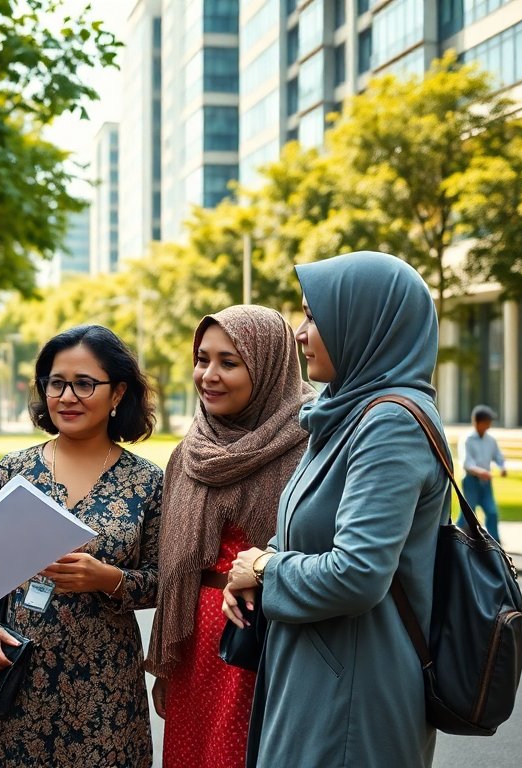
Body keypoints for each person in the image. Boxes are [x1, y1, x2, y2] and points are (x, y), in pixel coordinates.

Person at [222, 251, 449, 768]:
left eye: (313, 315)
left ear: (363, 321)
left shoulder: (390, 423)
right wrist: (256, 568)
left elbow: (358, 573)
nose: (300, 333)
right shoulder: (346, 414)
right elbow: (308, 529)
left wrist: (264, 567)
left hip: (354, 693)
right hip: (317, 673)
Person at [0, 324, 163, 768]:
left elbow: (162, 582)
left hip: (104, 685)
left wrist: (107, 579)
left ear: (117, 394)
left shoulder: (148, 483)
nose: (67, 396)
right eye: (56, 383)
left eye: (84, 384)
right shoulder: (13, 473)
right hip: (16, 678)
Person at [147, 306, 312, 768]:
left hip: (265, 640)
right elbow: (174, 569)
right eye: (202, 359)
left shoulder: (310, 444)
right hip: (195, 649)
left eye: (229, 362)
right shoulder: (190, 452)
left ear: (269, 365)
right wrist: (167, 663)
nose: (209, 375)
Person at [459, 404, 506, 542]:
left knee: (492, 512)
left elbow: (498, 456)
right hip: (471, 481)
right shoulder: (467, 440)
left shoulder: (490, 440)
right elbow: (467, 463)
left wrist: (502, 467)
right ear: (477, 422)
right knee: (468, 514)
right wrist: (481, 472)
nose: (489, 425)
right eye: (487, 422)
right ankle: (457, 540)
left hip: (486, 483)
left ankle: (494, 543)